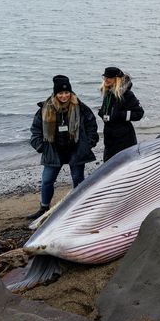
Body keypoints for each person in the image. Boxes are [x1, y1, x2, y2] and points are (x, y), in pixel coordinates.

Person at [28, 75, 99, 220]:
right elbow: (36, 130)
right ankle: (44, 208)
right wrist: (40, 146)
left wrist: (89, 143)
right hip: (54, 151)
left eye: (67, 93)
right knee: (47, 180)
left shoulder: (80, 107)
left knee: (78, 178)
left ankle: (79, 206)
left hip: (76, 149)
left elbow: (92, 125)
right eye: (60, 93)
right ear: (55, 94)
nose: (64, 96)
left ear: (71, 93)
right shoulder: (45, 108)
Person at [98, 67, 144, 162]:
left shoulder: (127, 94)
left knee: (123, 164)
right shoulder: (108, 92)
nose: (106, 80)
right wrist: (102, 113)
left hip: (124, 138)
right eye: (105, 77)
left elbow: (139, 113)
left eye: (109, 77)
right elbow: (108, 111)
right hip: (109, 136)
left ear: (117, 79)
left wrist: (120, 115)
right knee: (108, 163)